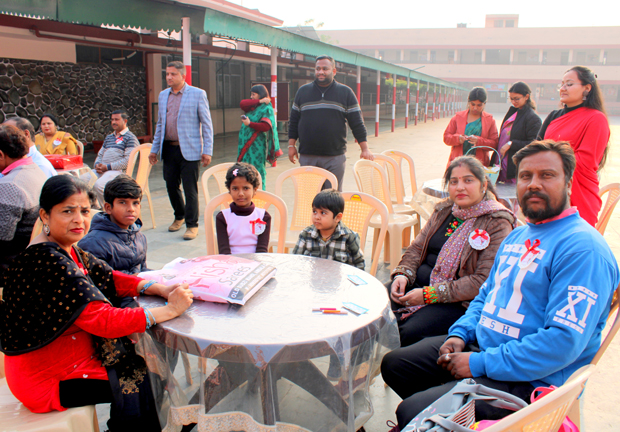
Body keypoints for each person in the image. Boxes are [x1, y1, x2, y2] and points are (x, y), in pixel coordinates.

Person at [381, 140, 619, 431]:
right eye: (525, 176)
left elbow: (561, 343)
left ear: (568, 182)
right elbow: (485, 296)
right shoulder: (518, 236)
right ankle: (444, 415)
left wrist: (479, 364)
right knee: (395, 365)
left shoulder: (583, 250)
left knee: (410, 411)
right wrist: (460, 333)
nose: (533, 184)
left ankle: (440, 417)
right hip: (484, 347)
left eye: (547, 175)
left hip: (530, 380)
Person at [0, 175, 194, 432]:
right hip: (47, 377)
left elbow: (108, 276)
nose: (78, 219)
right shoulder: (47, 262)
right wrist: (170, 310)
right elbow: (104, 321)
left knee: (145, 363)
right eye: (67, 211)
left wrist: (157, 287)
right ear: (45, 215)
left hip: (68, 355)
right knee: (140, 376)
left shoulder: (64, 248)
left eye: (83, 211)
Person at [388, 156, 515, 347]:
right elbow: (417, 247)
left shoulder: (497, 222)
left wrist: (429, 294)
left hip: (456, 302)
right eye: (454, 182)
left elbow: (482, 281)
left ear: (483, 184)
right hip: (417, 283)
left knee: (407, 330)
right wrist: (403, 274)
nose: (460, 187)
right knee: (374, 306)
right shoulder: (445, 210)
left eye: (468, 180)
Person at [288, 55, 373, 191]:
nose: (321, 72)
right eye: (318, 69)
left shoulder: (345, 92)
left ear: (334, 71)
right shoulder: (302, 92)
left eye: (325, 69)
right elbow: (293, 121)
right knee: (310, 195)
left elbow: (357, 123)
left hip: (334, 157)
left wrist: (365, 149)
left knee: (333, 196)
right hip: (308, 156)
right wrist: (291, 145)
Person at [149, 61, 214, 241]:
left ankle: (192, 225)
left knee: (189, 189)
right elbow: (160, 124)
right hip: (169, 148)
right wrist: (154, 149)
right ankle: (179, 215)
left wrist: (207, 150)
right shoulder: (163, 95)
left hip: (190, 149)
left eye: (173, 74)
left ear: (183, 76)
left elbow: (207, 124)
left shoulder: (198, 94)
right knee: (171, 185)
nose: (169, 77)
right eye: (167, 74)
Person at [538, 66, 609, 227]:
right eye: (562, 84)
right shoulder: (554, 116)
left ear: (587, 88)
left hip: (577, 193)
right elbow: (535, 150)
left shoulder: (596, 119)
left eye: (569, 84)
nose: (563, 88)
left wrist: (547, 160)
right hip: (547, 191)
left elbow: (585, 162)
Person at [0, 124, 47, 274]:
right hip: (34, 254)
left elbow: (2, 237)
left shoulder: (10, 185)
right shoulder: (35, 169)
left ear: (1, 155)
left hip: (13, 263)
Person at [78, 174, 148, 275]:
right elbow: (99, 281)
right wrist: (136, 279)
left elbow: (143, 269)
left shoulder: (140, 237)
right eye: (123, 202)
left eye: (135, 203)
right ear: (108, 208)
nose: (131, 209)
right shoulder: (93, 243)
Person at [292, 189, 365, 270]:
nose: (317, 217)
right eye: (314, 211)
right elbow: (295, 261)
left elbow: (358, 266)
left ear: (337, 217)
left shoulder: (349, 238)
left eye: (323, 213)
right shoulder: (306, 234)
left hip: (338, 278)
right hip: (312, 277)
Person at [216, 162, 271, 254]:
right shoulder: (222, 217)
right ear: (229, 190)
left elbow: (262, 250)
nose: (240, 193)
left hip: (256, 260)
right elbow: (224, 251)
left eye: (246, 188)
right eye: (235, 188)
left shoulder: (263, 216)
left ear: (255, 190)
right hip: (230, 261)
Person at [493, 82, 542, 183]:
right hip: (502, 162)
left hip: (516, 166)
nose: (513, 102)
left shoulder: (532, 118)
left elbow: (534, 144)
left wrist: (511, 144)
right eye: (511, 99)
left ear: (526, 97)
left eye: (517, 99)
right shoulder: (514, 112)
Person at [238, 84, 283, 189]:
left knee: (256, 171)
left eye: (254, 94)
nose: (251, 97)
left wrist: (250, 124)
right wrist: (259, 101)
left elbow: (266, 126)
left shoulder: (267, 108)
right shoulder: (254, 106)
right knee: (243, 170)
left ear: (261, 94)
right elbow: (242, 103)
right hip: (244, 143)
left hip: (256, 144)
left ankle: (259, 193)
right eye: (251, 94)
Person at [91, 110, 139, 205]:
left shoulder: (130, 138)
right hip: (102, 170)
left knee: (99, 185)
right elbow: (100, 154)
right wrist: (97, 165)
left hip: (118, 172)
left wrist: (107, 167)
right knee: (82, 181)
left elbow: (127, 161)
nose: (113, 122)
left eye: (116, 119)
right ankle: (95, 208)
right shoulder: (109, 137)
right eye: (112, 119)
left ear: (125, 121)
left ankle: (108, 210)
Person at [443, 87, 498, 166]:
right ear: (468, 102)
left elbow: (494, 143)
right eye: (473, 104)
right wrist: (458, 138)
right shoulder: (458, 118)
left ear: (484, 104)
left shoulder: (490, 120)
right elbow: (446, 138)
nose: (475, 108)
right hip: (458, 163)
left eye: (479, 105)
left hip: (479, 165)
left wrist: (479, 141)